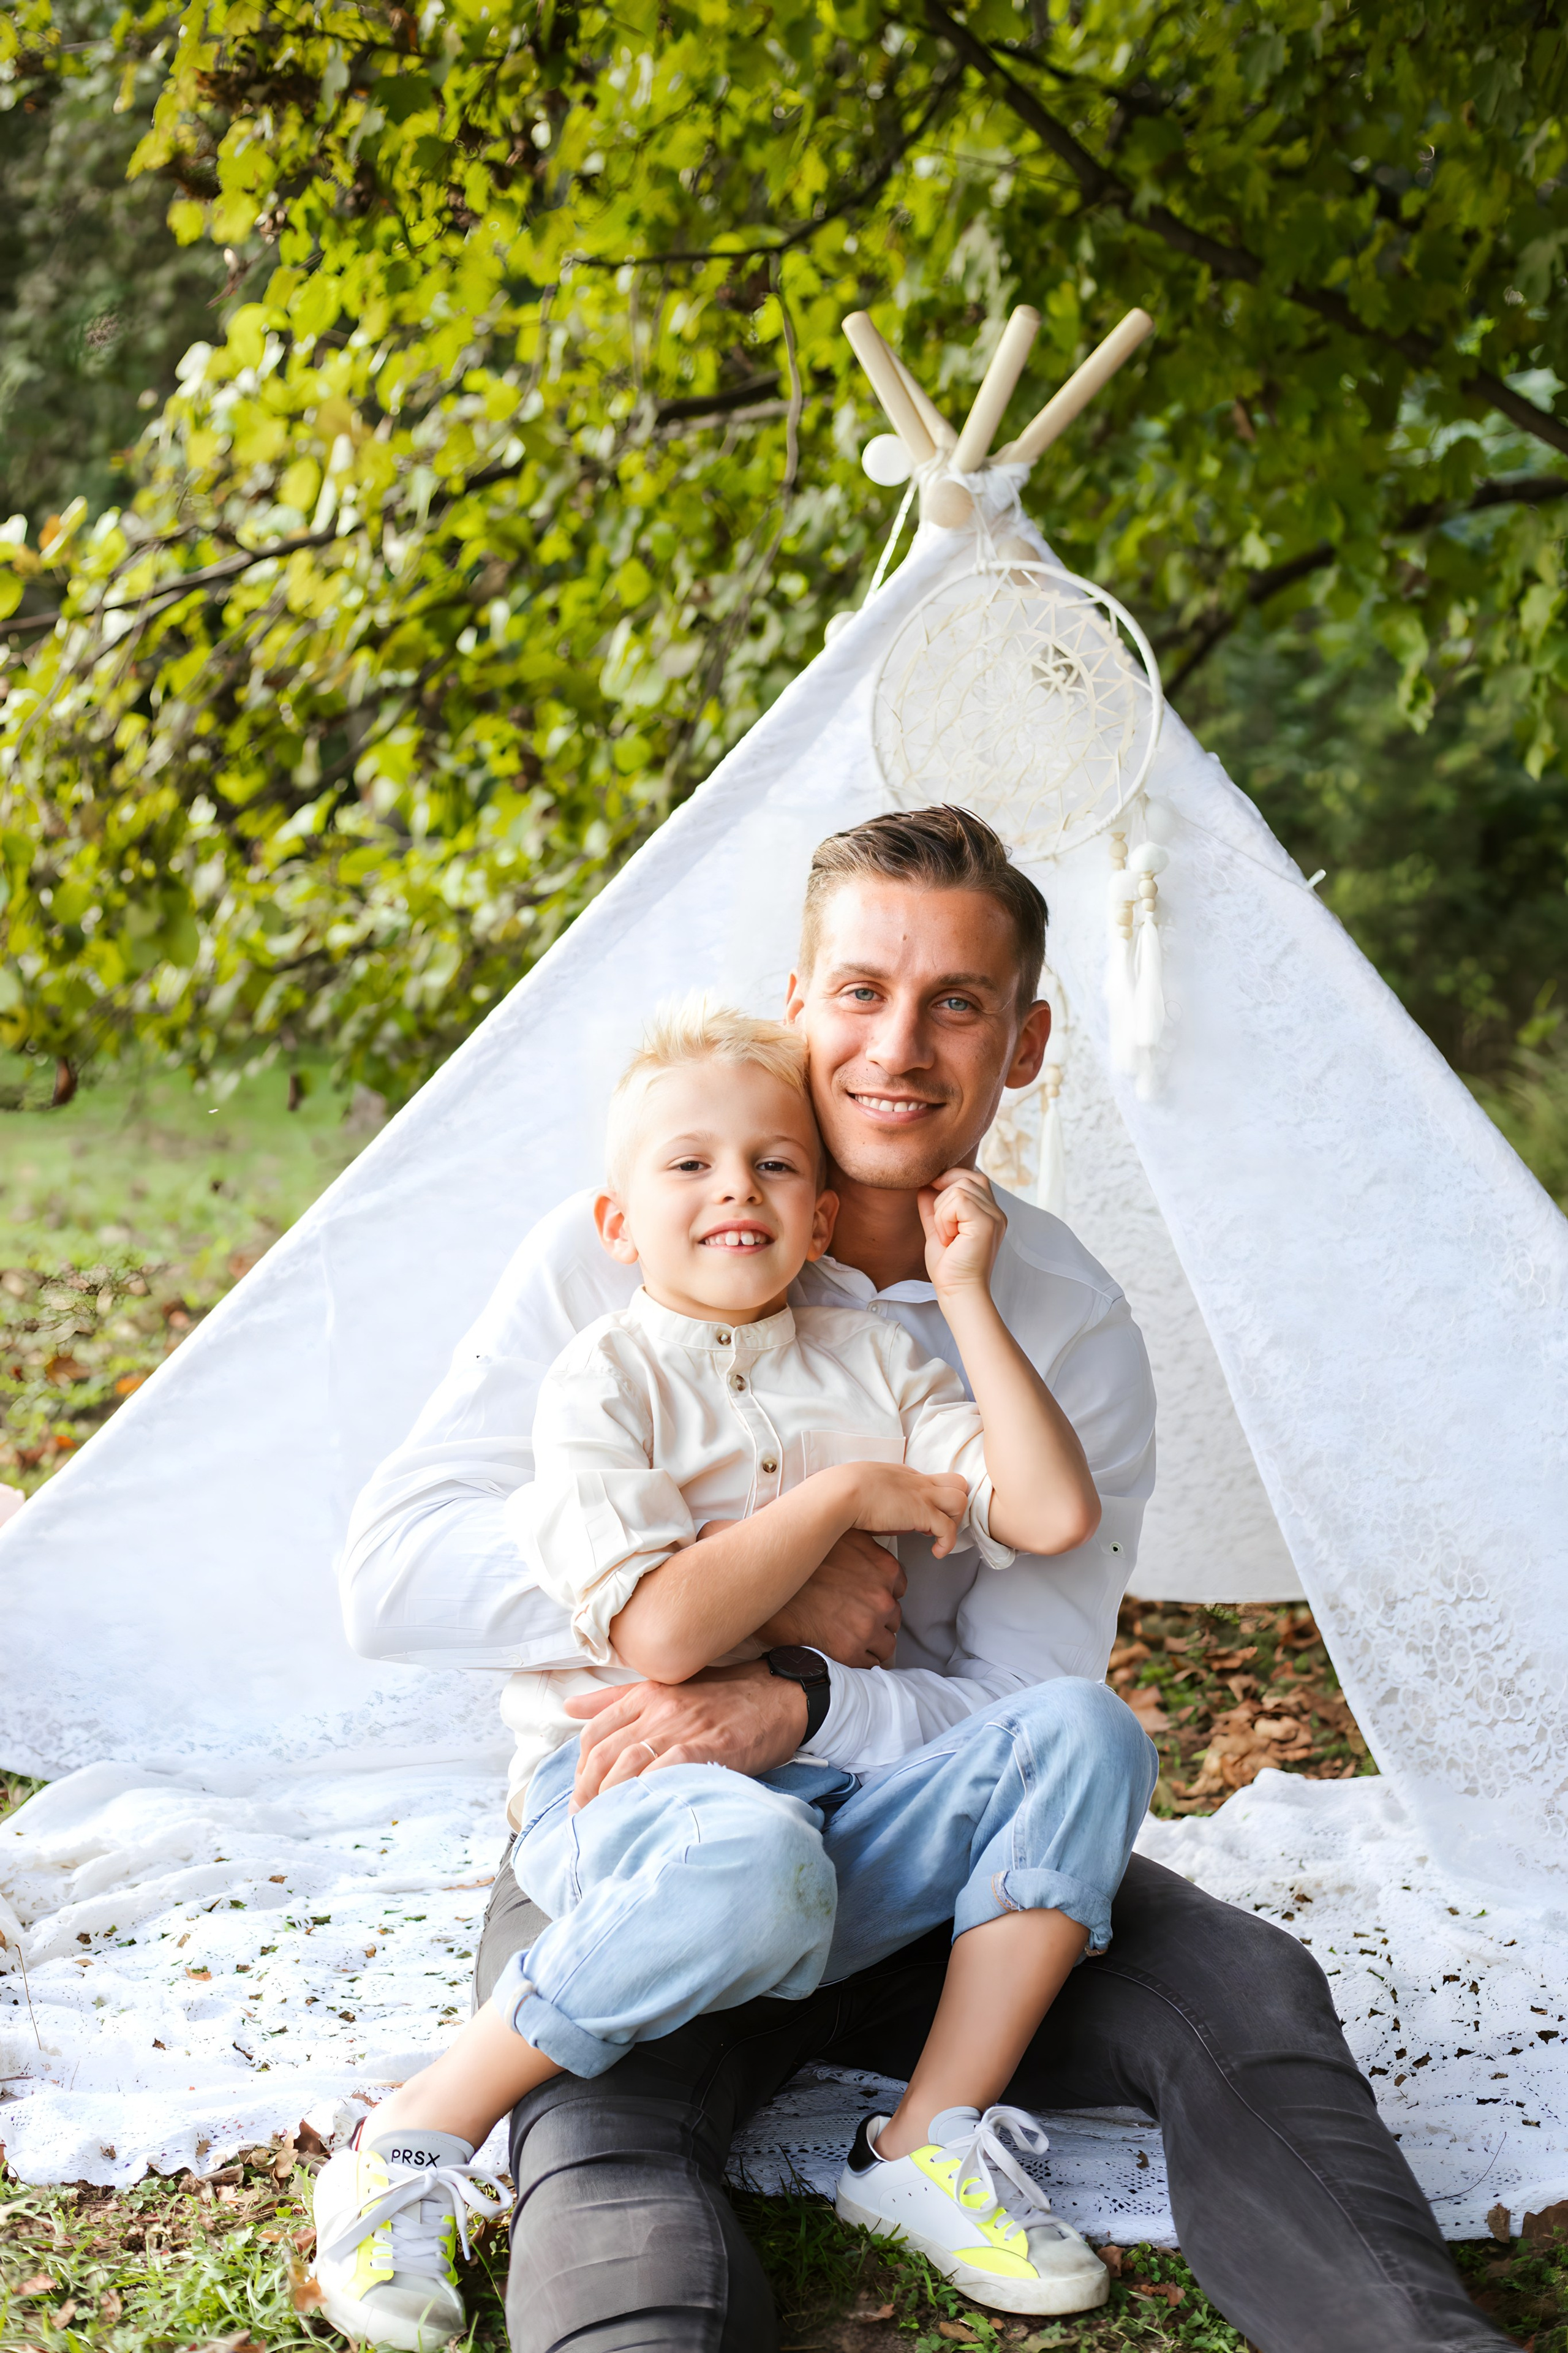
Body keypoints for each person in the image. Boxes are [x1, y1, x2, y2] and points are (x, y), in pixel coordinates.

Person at [340, 807, 1514, 2353]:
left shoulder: (1064, 1324)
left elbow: (1034, 1698)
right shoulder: (645, 1226)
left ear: (1021, 1046)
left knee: (1252, 2003)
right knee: (613, 2139)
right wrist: (749, 1588)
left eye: (955, 1001)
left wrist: (797, 1694)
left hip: (941, 1864)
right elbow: (394, 1576)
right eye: (859, 991)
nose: (897, 1044)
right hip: (655, 1837)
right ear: (798, 1002)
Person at [314, 1000, 1154, 2344]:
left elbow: (1049, 1510)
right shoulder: (603, 1382)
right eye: (688, 1165)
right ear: (617, 1223)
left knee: (1086, 1733)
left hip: (841, 1812)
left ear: (819, 1218)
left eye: (773, 1165)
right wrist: (838, 1505)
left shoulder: (876, 1358)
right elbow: (656, 1636)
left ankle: (925, 2142)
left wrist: (961, 1295)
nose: (734, 1191)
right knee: (755, 1864)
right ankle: (413, 2133)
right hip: (649, 1816)